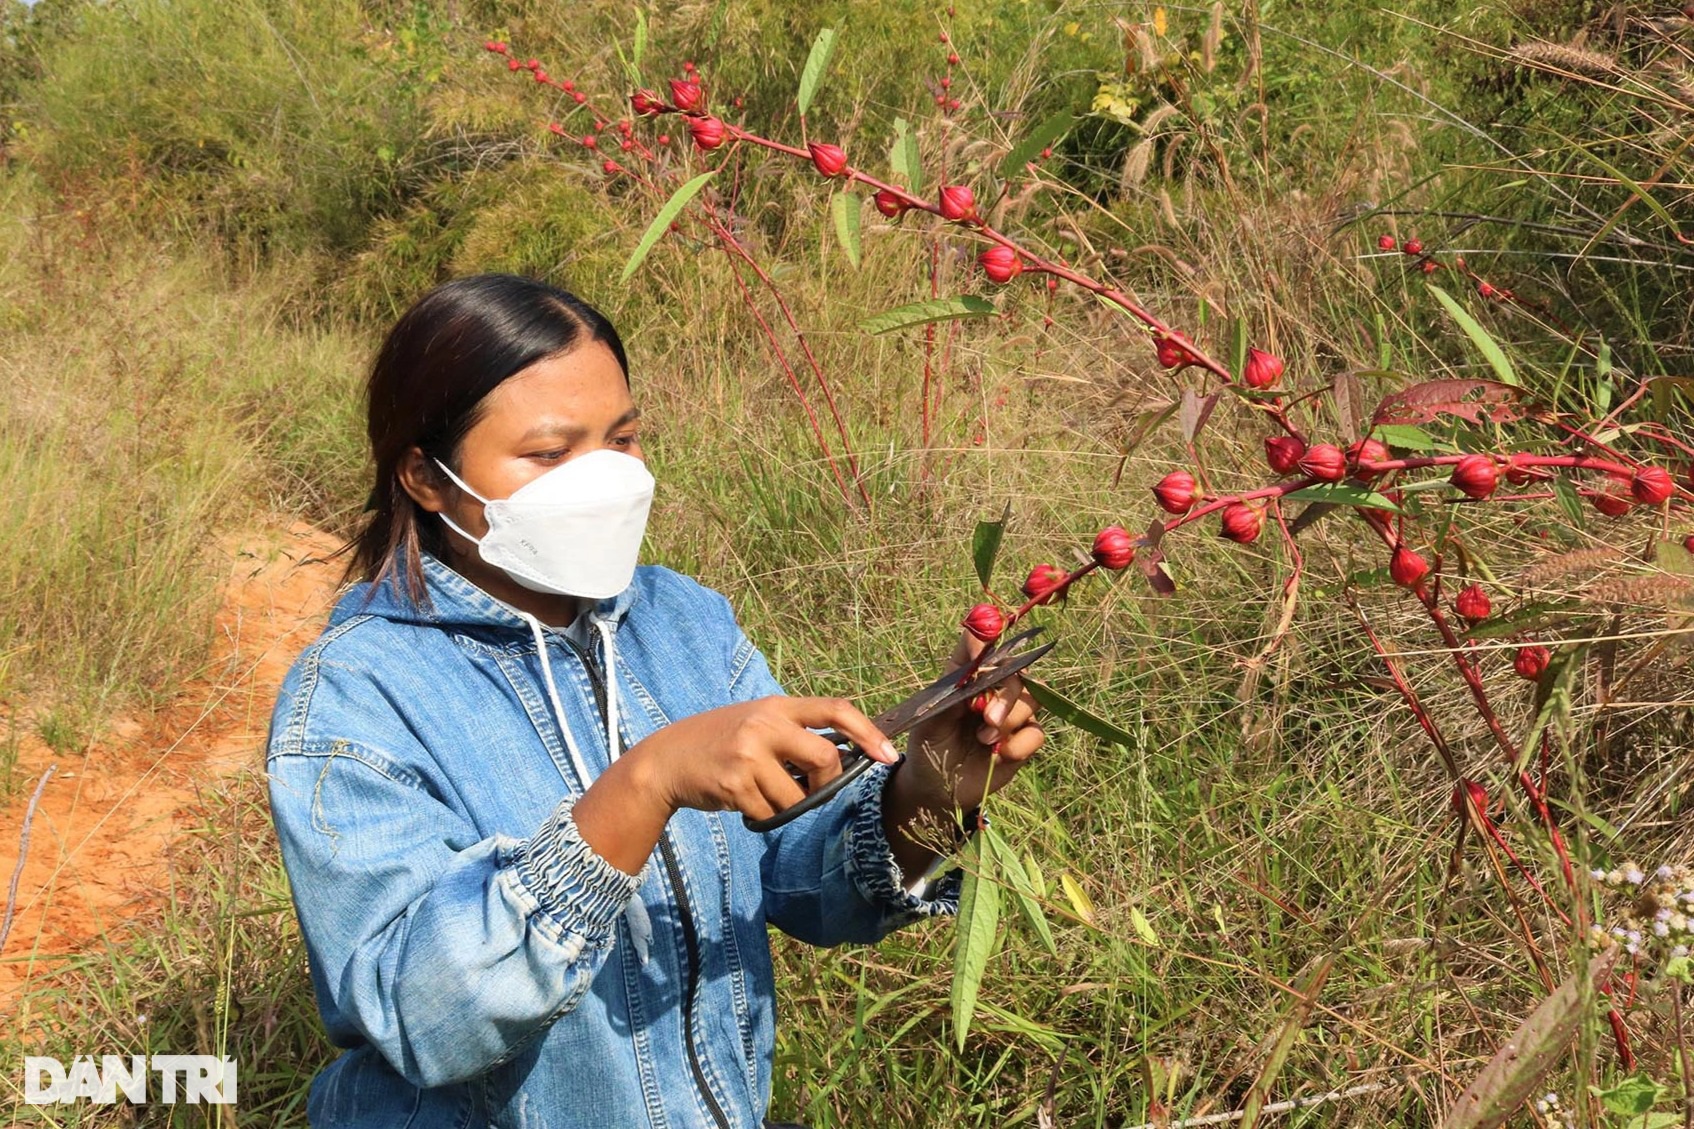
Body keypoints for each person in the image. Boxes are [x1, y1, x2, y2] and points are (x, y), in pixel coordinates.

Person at [265, 274, 1045, 1128]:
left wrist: (927, 790)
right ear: (428, 476)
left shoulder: (682, 619)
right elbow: (425, 1019)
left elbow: (792, 873)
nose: (600, 479)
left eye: (622, 438)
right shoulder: (357, 695)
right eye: (549, 453)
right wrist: (645, 785)